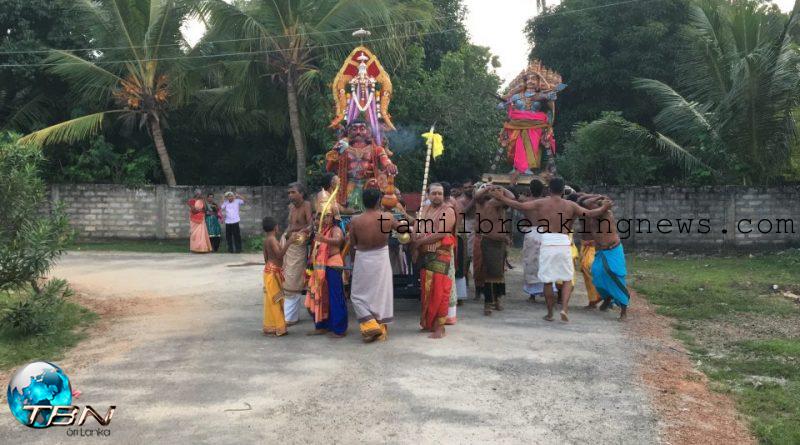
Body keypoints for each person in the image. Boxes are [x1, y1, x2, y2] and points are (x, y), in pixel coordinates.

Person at [490, 177, 610, 322]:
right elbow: (589, 213)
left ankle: (550, 313)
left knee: (547, 280)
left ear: (549, 189)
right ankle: (564, 309)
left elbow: (519, 206)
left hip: (547, 242)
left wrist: (501, 198)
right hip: (564, 242)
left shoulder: (542, 202)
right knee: (566, 279)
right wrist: (603, 208)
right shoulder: (570, 205)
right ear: (563, 190)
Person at [349, 188, 401, 342]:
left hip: (362, 258)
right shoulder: (387, 217)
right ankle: (378, 328)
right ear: (379, 201)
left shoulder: (355, 220)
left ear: (363, 202)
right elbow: (404, 232)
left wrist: (353, 262)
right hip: (381, 258)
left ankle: (371, 325)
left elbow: (352, 244)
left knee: (358, 296)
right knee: (381, 295)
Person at [412, 183, 456, 339]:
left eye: (440, 193)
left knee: (440, 291)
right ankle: (429, 323)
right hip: (426, 255)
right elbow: (417, 228)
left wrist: (419, 242)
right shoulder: (425, 210)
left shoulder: (448, 210)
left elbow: (442, 233)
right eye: (434, 193)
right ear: (428, 195)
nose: (437, 196)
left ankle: (440, 327)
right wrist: (414, 239)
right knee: (427, 291)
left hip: (440, 254)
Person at [585, 196, 630, 320]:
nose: (591, 208)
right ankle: (607, 297)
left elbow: (605, 204)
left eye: (595, 207)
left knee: (616, 277)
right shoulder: (593, 218)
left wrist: (602, 203)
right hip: (601, 252)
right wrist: (598, 197)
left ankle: (623, 311)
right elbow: (586, 202)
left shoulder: (606, 213)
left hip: (614, 251)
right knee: (597, 275)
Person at [305, 210, 348, 337]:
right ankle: (322, 325)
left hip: (333, 264)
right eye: (321, 216)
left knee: (335, 297)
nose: (323, 219)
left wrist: (323, 239)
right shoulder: (320, 230)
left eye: (327, 216)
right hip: (319, 267)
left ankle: (339, 329)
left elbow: (338, 240)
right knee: (319, 296)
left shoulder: (335, 229)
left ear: (333, 217)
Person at [475, 184, 514, 316]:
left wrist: (499, 187)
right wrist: (488, 188)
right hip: (489, 241)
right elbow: (477, 195)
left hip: (499, 242)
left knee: (499, 273)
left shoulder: (498, 203)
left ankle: (497, 300)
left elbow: (512, 197)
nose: (498, 192)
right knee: (491, 273)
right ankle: (488, 303)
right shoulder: (485, 203)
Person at [282, 182, 313, 325]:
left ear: (301, 193)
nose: (290, 195)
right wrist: (287, 235)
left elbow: (311, 225)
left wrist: (301, 233)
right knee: (285, 276)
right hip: (288, 243)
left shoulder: (306, 205)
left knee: (293, 279)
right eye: (289, 193)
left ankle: (291, 317)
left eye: (293, 192)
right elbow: (290, 225)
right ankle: (288, 315)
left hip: (298, 244)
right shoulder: (291, 207)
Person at [262, 216, 296, 337]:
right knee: (276, 300)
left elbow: (266, 257)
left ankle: (272, 326)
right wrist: (290, 242)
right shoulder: (271, 240)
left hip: (269, 271)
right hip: (272, 272)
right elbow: (280, 255)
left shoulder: (267, 240)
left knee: (273, 300)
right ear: (276, 227)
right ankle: (280, 328)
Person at [519, 179, 547, 302]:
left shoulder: (525, 201)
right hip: (545, 232)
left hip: (531, 232)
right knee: (544, 262)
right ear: (543, 190)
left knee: (530, 262)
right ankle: (546, 291)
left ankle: (532, 294)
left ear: (530, 190)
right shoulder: (547, 202)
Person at [576, 195, 602, 309]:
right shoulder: (582, 211)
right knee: (586, 271)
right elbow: (581, 200)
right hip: (584, 245)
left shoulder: (596, 214)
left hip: (591, 246)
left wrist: (598, 197)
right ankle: (593, 299)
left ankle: (597, 297)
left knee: (588, 270)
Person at [442, 182, 461, 325]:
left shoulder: (450, 205)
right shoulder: (447, 203)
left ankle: (449, 314)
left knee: (449, 276)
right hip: (448, 241)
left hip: (447, 242)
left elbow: (454, 225)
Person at [188, 189, 212, 253]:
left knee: (202, 234)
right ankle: (194, 248)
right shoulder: (191, 201)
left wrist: (203, 200)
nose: (199, 195)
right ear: (195, 194)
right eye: (198, 193)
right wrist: (200, 211)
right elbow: (193, 210)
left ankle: (202, 248)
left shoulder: (202, 201)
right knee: (194, 234)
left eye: (200, 193)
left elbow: (205, 209)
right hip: (194, 219)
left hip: (201, 218)